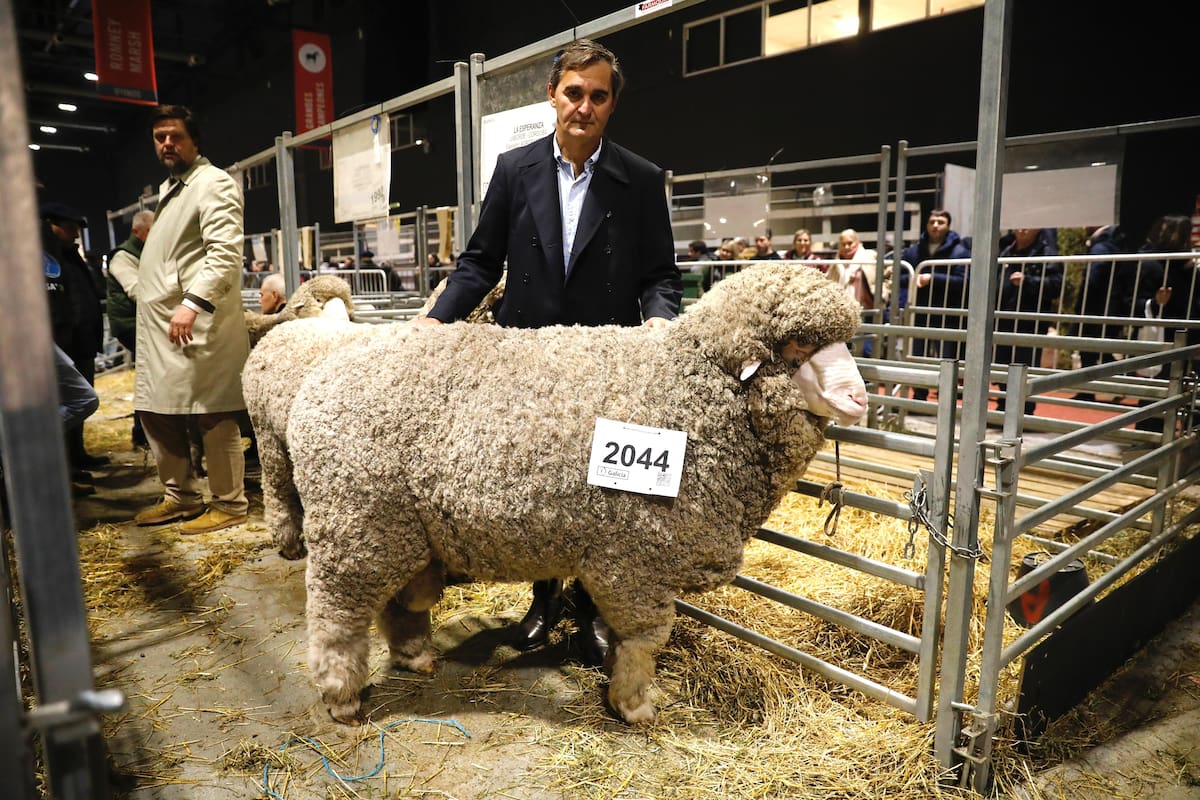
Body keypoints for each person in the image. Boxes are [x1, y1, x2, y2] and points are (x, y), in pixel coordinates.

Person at [418, 38, 681, 667]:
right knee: (538, 484)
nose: (584, 107)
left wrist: (660, 324)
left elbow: (660, 276)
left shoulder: (641, 179)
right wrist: (431, 325)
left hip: (604, 367)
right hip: (528, 364)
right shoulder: (515, 169)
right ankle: (543, 598)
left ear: (612, 104)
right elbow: (479, 263)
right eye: (574, 93)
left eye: (598, 96)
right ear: (552, 95)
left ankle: (592, 607)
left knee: (602, 489)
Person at [132, 104, 251, 535]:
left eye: (175, 136)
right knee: (155, 408)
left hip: (195, 320)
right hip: (162, 323)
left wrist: (193, 303)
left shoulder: (212, 183)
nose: (167, 143)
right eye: (160, 137)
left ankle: (229, 503)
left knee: (211, 410)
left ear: (194, 141)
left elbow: (225, 252)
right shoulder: (172, 188)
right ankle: (181, 495)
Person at [41, 200, 106, 473]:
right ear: (53, 227)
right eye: (70, 229)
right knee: (66, 402)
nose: (76, 235)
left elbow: (87, 294)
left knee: (80, 402)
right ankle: (64, 466)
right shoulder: (48, 257)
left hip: (82, 340)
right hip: (64, 341)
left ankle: (77, 456)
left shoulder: (71, 257)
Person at [899, 209, 971, 402]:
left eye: (940, 222)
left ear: (948, 226)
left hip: (947, 314)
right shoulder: (914, 250)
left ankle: (946, 399)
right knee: (918, 355)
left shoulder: (960, 252)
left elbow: (964, 280)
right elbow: (900, 276)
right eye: (932, 222)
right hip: (920, 312)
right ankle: (919, 396)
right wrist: (914, 278)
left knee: (947, 359)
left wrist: (933, 278)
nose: (936, 226)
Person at [994, 228, 1062, 416]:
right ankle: (1003, 407)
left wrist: (1028, 281)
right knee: (1002, 364)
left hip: (1029, 321)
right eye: (1019, 225)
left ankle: (1023, 412)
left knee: (1024, 366)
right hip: (1004, 319)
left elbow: (1056, 284)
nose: (1022, 229)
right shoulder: (1006, 251)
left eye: (1027, 225)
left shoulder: (1047, 253)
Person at [107, 208, 155, 445]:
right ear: (137, 231)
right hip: (132, 324)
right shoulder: (123, 257)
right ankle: (143, 431)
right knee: (150, 375)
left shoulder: (145, 252)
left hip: (144, 322)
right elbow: (137, 290)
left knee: (152, 374)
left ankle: (146, 431)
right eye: (151, 230)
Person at [1072, 224, 1129, 401]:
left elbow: (1093, 278)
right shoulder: (1114, 243)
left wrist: (1083, 300)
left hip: (1095, 308)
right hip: (1108, 308)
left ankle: (1091, 390)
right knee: (1100, 350)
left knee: (1090, 350)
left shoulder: (1101, 246)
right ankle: (1095, 389)